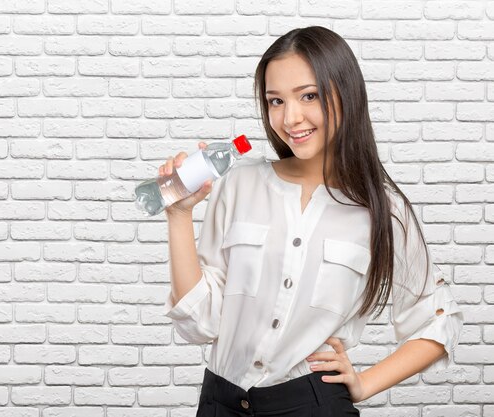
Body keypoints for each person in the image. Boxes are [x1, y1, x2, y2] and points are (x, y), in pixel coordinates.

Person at [160, 26, 464, 416]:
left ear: (345, 95)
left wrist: (365, 383)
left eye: (309, 96)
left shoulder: (382, 210)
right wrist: (179, 214)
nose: (290, 118)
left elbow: (437, 320)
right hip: (220, 402)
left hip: (313, 405)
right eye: (275, 101)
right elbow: (201, 323)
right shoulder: (239, 182)